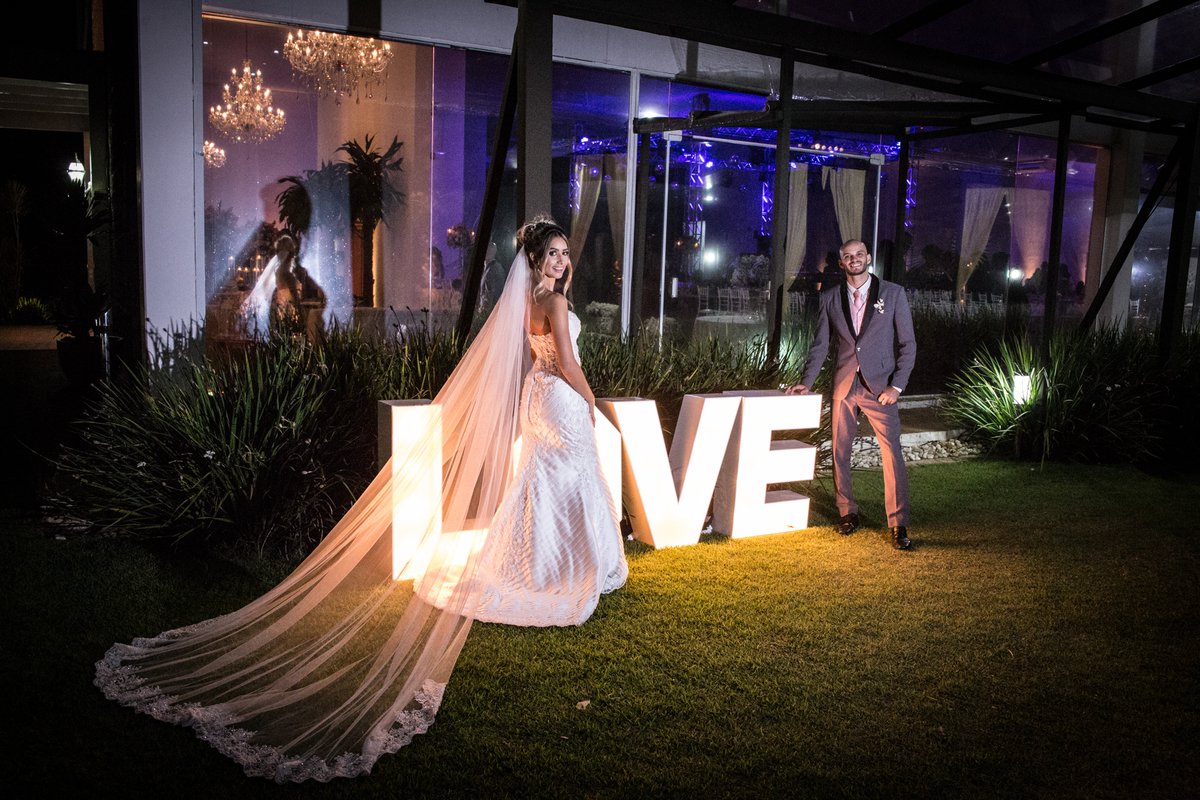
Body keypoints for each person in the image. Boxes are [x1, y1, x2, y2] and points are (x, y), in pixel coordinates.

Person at [95, 215, 626, 782]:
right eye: (554, 253)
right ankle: (565, 567)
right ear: (536, 259)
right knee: (566, 478)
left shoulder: (528, 300)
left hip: (536, 396)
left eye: (565, 253)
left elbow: (539, 358)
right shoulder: (555, 303)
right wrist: (592, 401)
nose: (562, 261)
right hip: (560, 396)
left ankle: (539, 562)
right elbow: (567, 363)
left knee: (543, 481)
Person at [786, 240, 916, 550]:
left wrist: (896, 386)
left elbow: (908, 344)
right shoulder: (830, 297)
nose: (854, 259)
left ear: (868, 258)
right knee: (839, 452)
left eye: (859, 254)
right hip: (844, 386)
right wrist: (806, 382)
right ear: (842, 263)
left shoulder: (893, 293)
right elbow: (821, 345)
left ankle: (898, 524)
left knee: (892, 454)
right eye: (848, 256)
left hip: (880, 388)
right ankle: (847, 513)